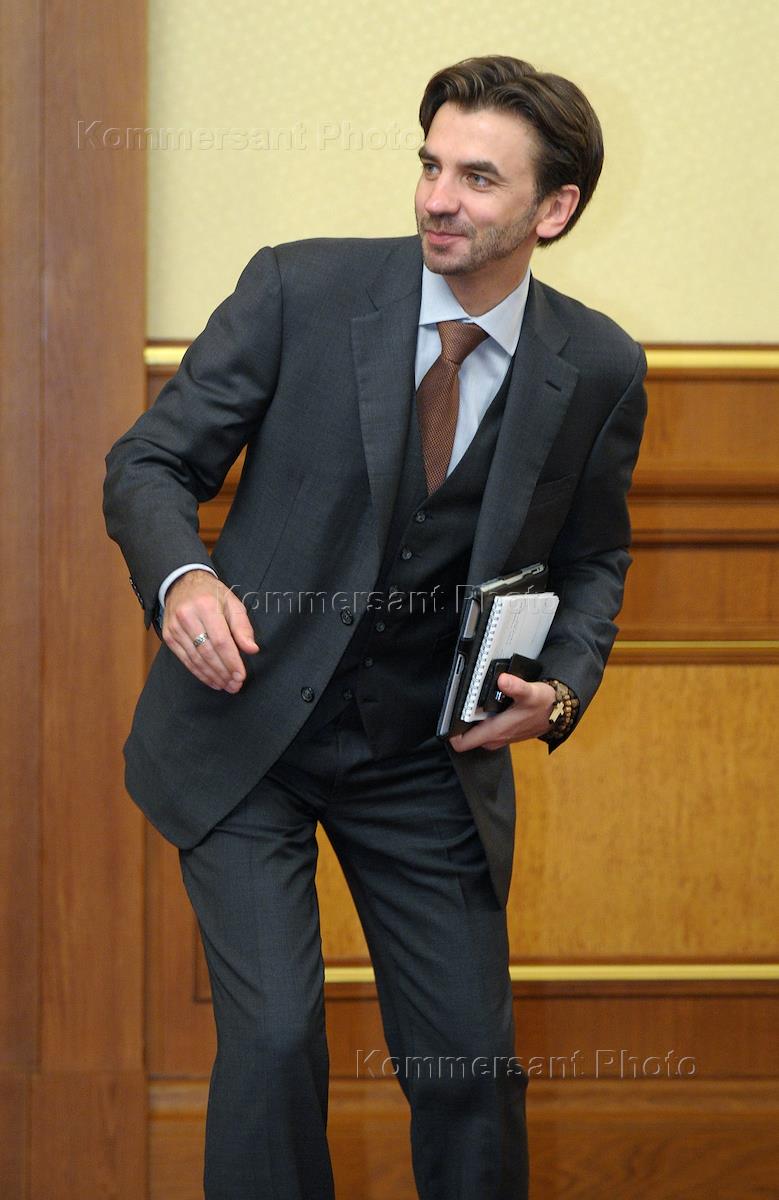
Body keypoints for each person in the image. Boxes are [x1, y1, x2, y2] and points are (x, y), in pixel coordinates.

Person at [104, 55, 646, 1200]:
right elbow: (150, 461)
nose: (436, 198)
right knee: (272, 1045)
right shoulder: (299, 289)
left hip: (422, 755)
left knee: (468, 1072)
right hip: (246, 730)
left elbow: (593, 556)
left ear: (552, 209)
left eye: (477, 178)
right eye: (429, 165)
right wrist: (183, 580)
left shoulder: (597, 365)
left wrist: (559, 688)